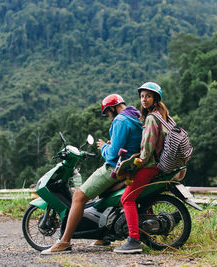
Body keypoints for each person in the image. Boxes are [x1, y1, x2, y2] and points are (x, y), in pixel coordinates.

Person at [42, 94, 142, 254]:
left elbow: (112, 155)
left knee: (79, 196)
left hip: (116, 168)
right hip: (131, 165)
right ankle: (104, 236)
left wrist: (103, 147)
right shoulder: (135, 115)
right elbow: (127, 143)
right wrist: (112, 145)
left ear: (113, 109)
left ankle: (64, 241)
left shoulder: (120, 120)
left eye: (108, 113)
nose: (109, 117)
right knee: (102, 196)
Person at [114, 82, 170, 254]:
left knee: (127, 199)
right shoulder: (161, 115)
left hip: (150, 165)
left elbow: (147, 149)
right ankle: (147, 233)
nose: (144, 100)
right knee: (141, 197)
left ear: (155, 99)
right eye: (142, 96)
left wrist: (135, 164)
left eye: (148, 96)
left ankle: (133, 240)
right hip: (158, 165)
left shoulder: (152, 118)